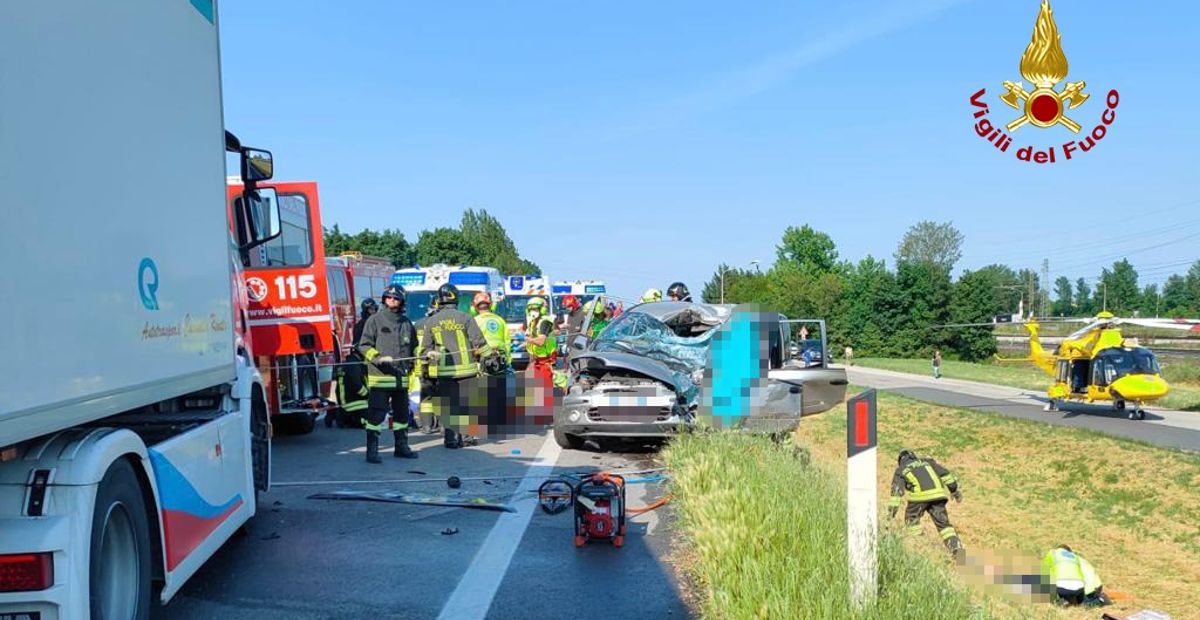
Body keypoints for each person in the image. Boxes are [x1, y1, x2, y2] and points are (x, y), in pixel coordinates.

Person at [418, 283, 490, 449]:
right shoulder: (465, 317)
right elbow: (479, 342)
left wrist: (427, 360)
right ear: (455, 298)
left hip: (445, 372)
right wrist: (490, 357)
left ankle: (450, 439)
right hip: (467, 371)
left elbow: (425, 349)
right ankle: (466, 437)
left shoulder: (432, 321)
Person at [356, 285, 419, 463]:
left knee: (401, 416)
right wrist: (377, 357)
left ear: (401, 301)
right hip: (380, 378)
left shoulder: (406, 323)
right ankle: (372, 451)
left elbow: (414, 346)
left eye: (395, 298)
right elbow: (364, 346)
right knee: (376, 416)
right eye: (388, 297)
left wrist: (426, 353)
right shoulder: (374, 320)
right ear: (384, 299)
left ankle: (401, 446)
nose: (392, 300)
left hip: (401, 379)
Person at [889, 449, 964, 558]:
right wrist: (954, 490)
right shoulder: (928, 462)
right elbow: (946, 475)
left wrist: (891, 514)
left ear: (901, 461)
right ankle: (957, 550)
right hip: (938, 496)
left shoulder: (901, 469)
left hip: (919, 498)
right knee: (944, 525)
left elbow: (896, 492)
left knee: (911, 520)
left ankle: (919, 547)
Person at [1041, 545, 1107, 606]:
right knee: (1081, 602)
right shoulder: (1076, 557)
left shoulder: (1052, 553)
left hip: (1061, 588)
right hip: (1080, 589)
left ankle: (1059, 600)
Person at [521, 296, 557, 385]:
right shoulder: (533, 322)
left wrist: (527, 339)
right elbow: (533, 341)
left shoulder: (545, 322)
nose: (533, 312)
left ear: (542, 310)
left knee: (545, 387)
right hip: (536, 360)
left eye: (536, 309)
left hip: (545, 361)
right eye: (531, 309)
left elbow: (541, 342)